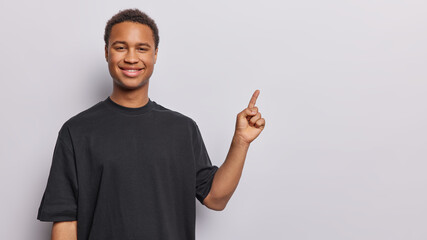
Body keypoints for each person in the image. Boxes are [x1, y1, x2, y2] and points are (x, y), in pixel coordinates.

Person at [36, 8, 265, 240]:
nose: (131, 57)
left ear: (155, 54)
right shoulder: (77, 131)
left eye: (142, 48)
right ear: (107, 52)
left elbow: (216, 198)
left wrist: (241, 142)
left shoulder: (183, 129)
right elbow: (65, 222)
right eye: (120, 47)